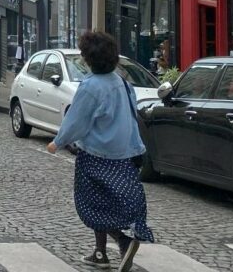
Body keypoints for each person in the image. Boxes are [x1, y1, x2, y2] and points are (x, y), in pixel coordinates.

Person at [47, 30, 154, 271]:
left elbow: (76, 121)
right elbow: (130, 115)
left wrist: (58, 141)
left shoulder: (90, 87)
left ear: (89, 59)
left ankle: (123, 241)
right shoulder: (122, 83)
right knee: (111, 203)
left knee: (93, 204)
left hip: (97, 155)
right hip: (125, 154)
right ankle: (99, 253)